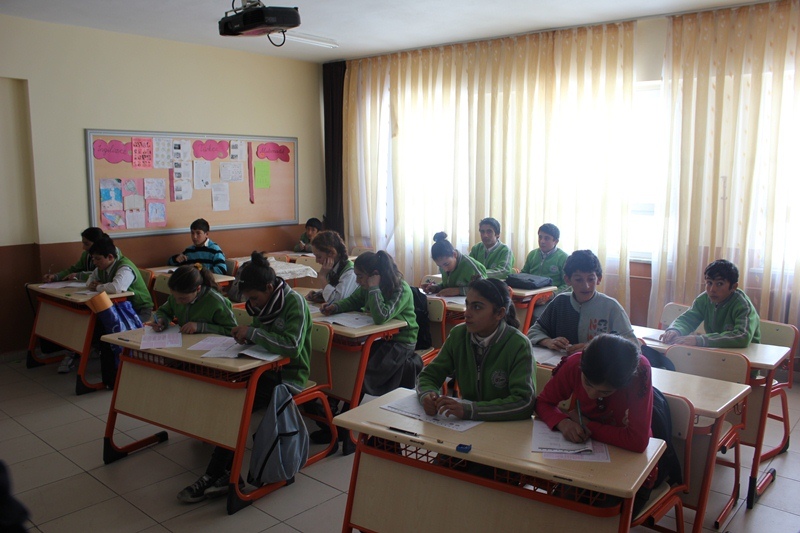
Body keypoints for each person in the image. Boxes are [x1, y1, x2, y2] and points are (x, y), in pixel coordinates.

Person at [177, 252, 312, 503]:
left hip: (289, 377)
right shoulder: (263, 303)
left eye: (254, 298)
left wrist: (253, 333)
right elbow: (261, 334)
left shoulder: (295, 303)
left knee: (237, 405)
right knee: (225, 396)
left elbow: (292, 347)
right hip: (262, 369)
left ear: (269, 287)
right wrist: (246, 336)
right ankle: (224, 472)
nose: (252, 304)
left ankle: (216, 473)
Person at [417, 278, 536, 421]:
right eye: (467, 305)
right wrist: (427, 395)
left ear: (499, 313)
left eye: (477, 307)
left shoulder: (518, 345)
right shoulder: (458, 335)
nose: (467, 313)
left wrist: (471, 410)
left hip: (506, 426)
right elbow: (429, 375)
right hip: (467, 426)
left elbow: (524, 402)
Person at [321, 251, 421, 396]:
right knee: (348, 365)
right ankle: (337, 400)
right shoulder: (365, 287)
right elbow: (353, 301)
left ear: (375, 275)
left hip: (400, 342)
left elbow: (382, 316)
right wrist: (335, 307)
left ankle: (351, 402)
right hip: (377, 337)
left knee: (363, 374)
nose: (357, 281)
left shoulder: (400, 288)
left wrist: (374, 288)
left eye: (360, 276)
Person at [535, 334, 653, 453]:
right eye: (587, 383)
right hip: (598, 443)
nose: (591, 395)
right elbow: (543, 402)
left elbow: (637, 441)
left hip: (626, 452)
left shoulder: (639, 372)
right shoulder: (575, 363)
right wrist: (563, 423)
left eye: (605, 392)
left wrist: (588, 425)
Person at [527, 249, 638, 354]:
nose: (586, 286)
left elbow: (633, 345)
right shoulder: (560, 302)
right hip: (559, 363)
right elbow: (533, 331)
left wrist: (594, 347)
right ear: (567, 280)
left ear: (599, 279)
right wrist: (548, 341)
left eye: (591, 279)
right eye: (578, 280)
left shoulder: (611, 307)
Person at [660, 259, 761, 347]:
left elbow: (742, 336)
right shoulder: (704, 299)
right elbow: (688, 319)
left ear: (733, 287)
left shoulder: (742, 305)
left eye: (719, 284)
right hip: (715, 353)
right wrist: (675, 330)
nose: (712, 289)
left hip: (744, 358)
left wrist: (699, 340)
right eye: (709, 283)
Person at [152, 264, 237, 336]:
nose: (177, 302)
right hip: (185, 341)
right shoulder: (177, 296)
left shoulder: (216, 302)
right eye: (174, 297)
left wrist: (200, 327)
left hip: (209, 345)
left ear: (198, 289)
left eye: (183, 298)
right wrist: (161, 320)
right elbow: (163, 311)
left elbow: (231, 330)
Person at [87, 237, 153, 323]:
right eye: (93, 259)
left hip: (139, 310)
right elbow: (90, 280)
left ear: (110, 257)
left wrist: (98, 287)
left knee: (114, 324)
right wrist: (92, 284)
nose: (95, 262)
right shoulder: (102, 267)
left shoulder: (125, 267)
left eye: (98, 259)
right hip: (121, 308)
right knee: (97, 321)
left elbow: (116, 288)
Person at [423, 232, 487, 296]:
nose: (445, 269)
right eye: (440, 266)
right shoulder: (444, 264)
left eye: (446, 264)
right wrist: (436, 287)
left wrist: (459, 291)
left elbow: (484, 289)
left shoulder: (470, 266)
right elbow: (449, 285)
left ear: (454, 254)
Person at [43, 227, 115, 282]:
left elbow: (103, 274)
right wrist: (55, 276)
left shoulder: (111, 254)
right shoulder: (86, 255)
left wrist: (79, 275)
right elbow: (73, 270)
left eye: (87, 244)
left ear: (97, 243)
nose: (83, 247)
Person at [305, 230, 358, 305]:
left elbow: (337, 301)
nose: (316, 261)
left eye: (319, 256)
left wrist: (322, 277)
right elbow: (335, 289)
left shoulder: (350, 272)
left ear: (332, 253)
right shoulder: (333, 268)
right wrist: (319, 294)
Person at [521, 223, 569, 293]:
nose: (542, 241)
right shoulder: (532, 254)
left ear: (556, 241)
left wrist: (553, 294)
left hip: (552, 295)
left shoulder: (564, 258)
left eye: (547, 238)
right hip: (530, 293)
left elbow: (568, 284)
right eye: (540, 237)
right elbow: (523, 275)